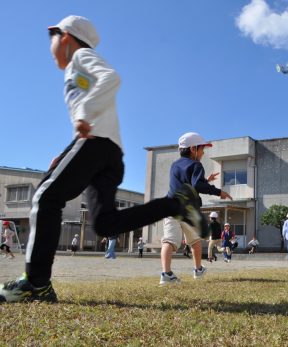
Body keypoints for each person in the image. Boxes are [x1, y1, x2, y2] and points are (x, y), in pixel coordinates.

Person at [0, 15, 207, 303]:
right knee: (105, 225)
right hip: (108, 152)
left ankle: (36, 283)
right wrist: (65, 152)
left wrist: (84, 113)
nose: (51, 45)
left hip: (97, 145)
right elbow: (93, 112)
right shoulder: (75, 71)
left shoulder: (81, 56)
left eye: (53, 37)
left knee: (45, 197)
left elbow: (112, 78)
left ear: (66, 38)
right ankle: (174, 204)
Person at [159, 132, 232, 285]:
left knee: (169, 241)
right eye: (202, 149)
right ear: (193, 149)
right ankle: (198, 270)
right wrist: (219, 192)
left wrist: (205, 180)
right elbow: (197, 185)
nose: (203, 153)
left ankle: (166, 274)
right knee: (195, 241)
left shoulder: (174, 165)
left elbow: (188, 182)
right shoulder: (196, 165)